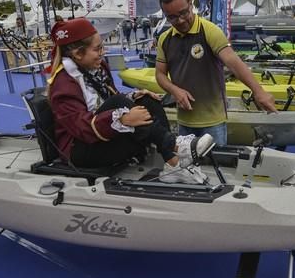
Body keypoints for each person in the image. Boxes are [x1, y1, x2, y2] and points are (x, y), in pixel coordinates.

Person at [47, 17, 215, 184]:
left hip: (100, 137)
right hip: (80, 150)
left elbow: (108, 100)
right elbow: (81, 128)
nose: (102, 53)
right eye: (98, 49)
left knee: (148, 100)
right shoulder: (63, 84)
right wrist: (123, 119)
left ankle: (174, 165)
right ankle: (175, 145)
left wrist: (135, 96)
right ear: (77, 54)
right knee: (120, 102)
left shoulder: (97, 69)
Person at [155, 0, 277, 146]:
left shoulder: (209, 31)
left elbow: (233, 62)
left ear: (191, 5)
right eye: (172, 17)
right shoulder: (165, 39)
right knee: (188, 169)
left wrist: (258, 91)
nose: (181, 20)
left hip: (213, 122)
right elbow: (160, 74)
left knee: (216, 167)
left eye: (184, 12)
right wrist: (174, 90)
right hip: (184, 121)